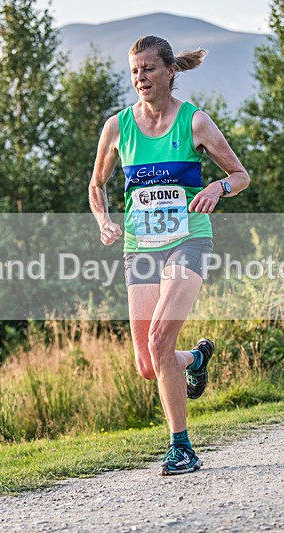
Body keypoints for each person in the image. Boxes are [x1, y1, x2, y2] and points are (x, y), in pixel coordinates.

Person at [88, 35, 249, 475]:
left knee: (161, 339)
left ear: (170, 71)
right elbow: (97, 184)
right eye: (135, 69)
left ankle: (182, 447)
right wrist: (104, 221)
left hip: (188, 239)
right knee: (147, 364)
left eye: (149, 68)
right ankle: (195, 360)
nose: (141, 76)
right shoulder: (117, 127)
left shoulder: (194, 122)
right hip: (140, 246)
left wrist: (218, 186)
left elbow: (240, 174)